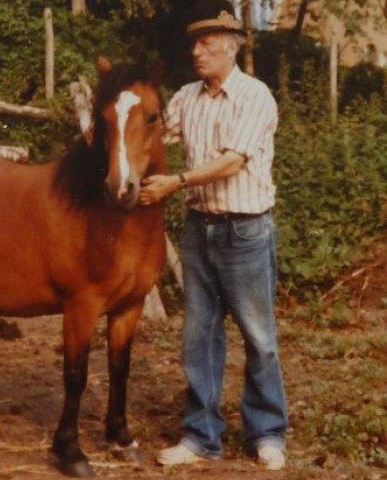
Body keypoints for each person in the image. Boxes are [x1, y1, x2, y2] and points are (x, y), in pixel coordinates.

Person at [138, 0, 288, 471]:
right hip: (199, 230)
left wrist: (175, 183)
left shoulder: (255, 96)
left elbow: (232, 161)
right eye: (194, 45)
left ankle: (266, 433)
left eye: (206, 44)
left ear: (230, 48)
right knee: (198, 337)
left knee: (259, 337)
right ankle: (201, 435)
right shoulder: (186, 97)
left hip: (245, 232)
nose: (197, 53)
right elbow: (155, 137)